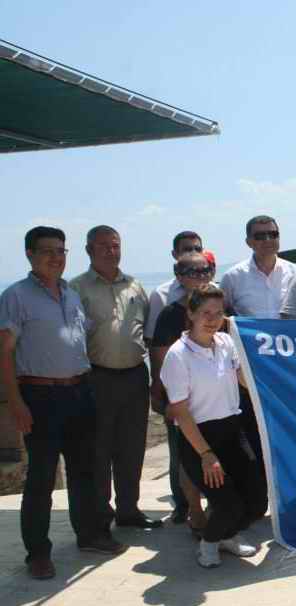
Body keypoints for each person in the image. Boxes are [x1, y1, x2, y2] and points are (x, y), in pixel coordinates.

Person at [0, 227, 127, 580]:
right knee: (40, 479)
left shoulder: (71, 294)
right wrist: (16, 403)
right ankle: (37, 553)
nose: (56, 257)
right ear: (29, 254)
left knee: (84, 472)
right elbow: (4, 354)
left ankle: (89, 535)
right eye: (47, 251)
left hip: (79, 392)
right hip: (40, 396)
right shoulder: (16, 297)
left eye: (61, 250)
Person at [161, 284, 265, 568]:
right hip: (199, 438)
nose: (212, 319)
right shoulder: (177, 355)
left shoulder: (226, 343)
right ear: (191, 314)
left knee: (256, 501)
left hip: (232, 430)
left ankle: (226, 536)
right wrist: (207, 455)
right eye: (205, 312)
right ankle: (209, 542)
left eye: (218, 313)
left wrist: (267, 394)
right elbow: (180, 412)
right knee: (227, 503)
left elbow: (242, 377)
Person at [70, 226, 160, 531]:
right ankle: (100, 515)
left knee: (132, 448)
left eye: (115, 245)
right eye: (103, 246)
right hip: (98, 378)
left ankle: (128, 511)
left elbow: (146, 330)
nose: (111, 251)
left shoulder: (135, 286)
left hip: (135, 376)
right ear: (89, 251)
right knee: (99, 450)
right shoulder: (77, 289)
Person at [151, 253, 217, 536]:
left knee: (219, 457)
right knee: (188, 460)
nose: (201, 275)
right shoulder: (169, 314)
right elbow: (161, 359)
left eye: (206, 270)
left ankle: (218, 510)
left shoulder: (224, 307)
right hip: (184, 401)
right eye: (193, 271)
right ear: (179, 276)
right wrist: (169, 400)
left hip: (217, 400)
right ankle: (194, 510)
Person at [220, 215, 296, 319]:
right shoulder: (232, 278)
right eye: (260, 236)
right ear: (248, 242)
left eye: (273, 234)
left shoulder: (295, 273)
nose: (267, 240)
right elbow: (221, 312)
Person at [144, 231, 204, 341]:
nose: (193, 253)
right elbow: (151, 338)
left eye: (198, 249)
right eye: (187, 249)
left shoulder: (216, 290)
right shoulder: (160, 294)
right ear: (174, 254)